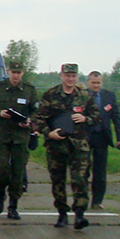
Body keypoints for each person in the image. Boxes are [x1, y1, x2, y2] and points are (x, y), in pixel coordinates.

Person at [35, 63, 100, 229]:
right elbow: (38, 119)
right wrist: (48, 133)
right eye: (67, 75)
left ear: (77, 77)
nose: (70, 79)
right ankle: (62, 214)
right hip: (56, 145)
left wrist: (85, 119)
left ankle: (79, 214)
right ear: (61, 76)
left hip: (78, 145)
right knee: (58, 180)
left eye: (73, 76)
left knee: (80, 179)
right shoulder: (50, 95)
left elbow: (97, 118)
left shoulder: (85, 96)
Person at [0, 62, 37, 220]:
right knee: (2, 169)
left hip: (21, 137)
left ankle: (13, 205)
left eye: (19, 72)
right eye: (13, 72)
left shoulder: (29, 90)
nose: (16, 75)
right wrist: (0, 113)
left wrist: (29, 120)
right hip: (2, 136)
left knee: (18, 172)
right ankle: (1, 194)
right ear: (9, 72)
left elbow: (36, 110)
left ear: (23, 73)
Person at [86, 71, 120, 208]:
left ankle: (97, 201)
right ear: (88, 82)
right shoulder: (81, 96)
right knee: (83, 169)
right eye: (93, 83)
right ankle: (82, 199)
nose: (96, 85)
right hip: (85, 136)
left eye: (98, 83)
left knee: (100, 171)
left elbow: (117, 118)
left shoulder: (109, 96)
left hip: (102, 137)